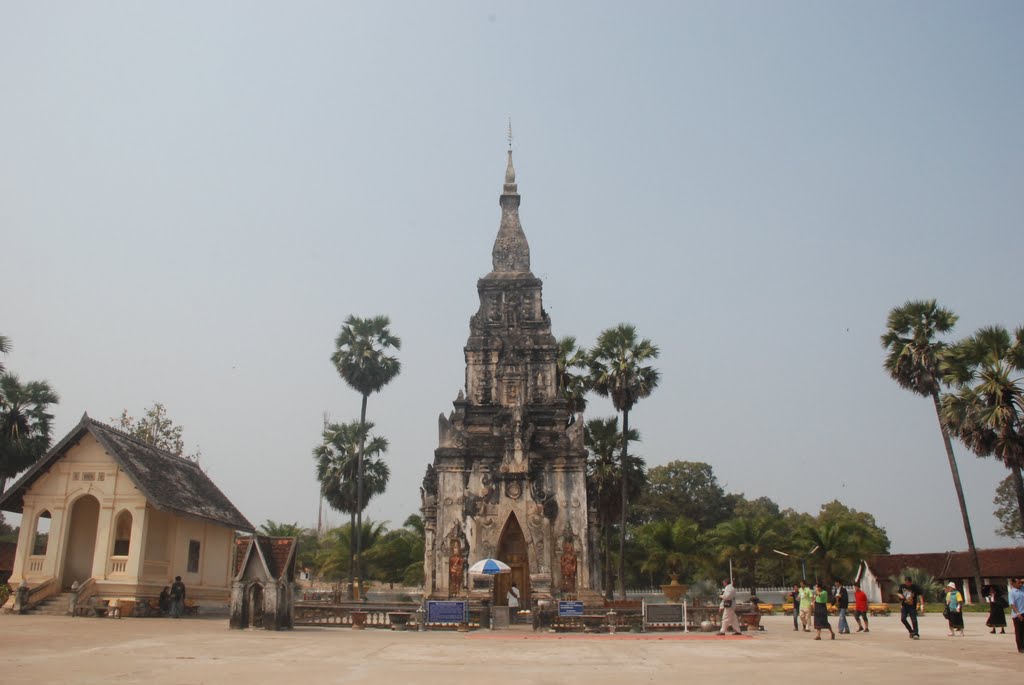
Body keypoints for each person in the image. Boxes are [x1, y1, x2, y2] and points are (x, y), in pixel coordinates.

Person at [1009, 577, 1024, 654]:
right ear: (1013, 583)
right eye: (1018, 583)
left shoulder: (1023, 589)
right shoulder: (1012, 592)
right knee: (1019, 632)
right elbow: (1012, 604)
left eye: (1020, 582)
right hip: (1018, 614)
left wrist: (1022, 581)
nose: (1020, 584)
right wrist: (1018, 613)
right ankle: (1021, 647)